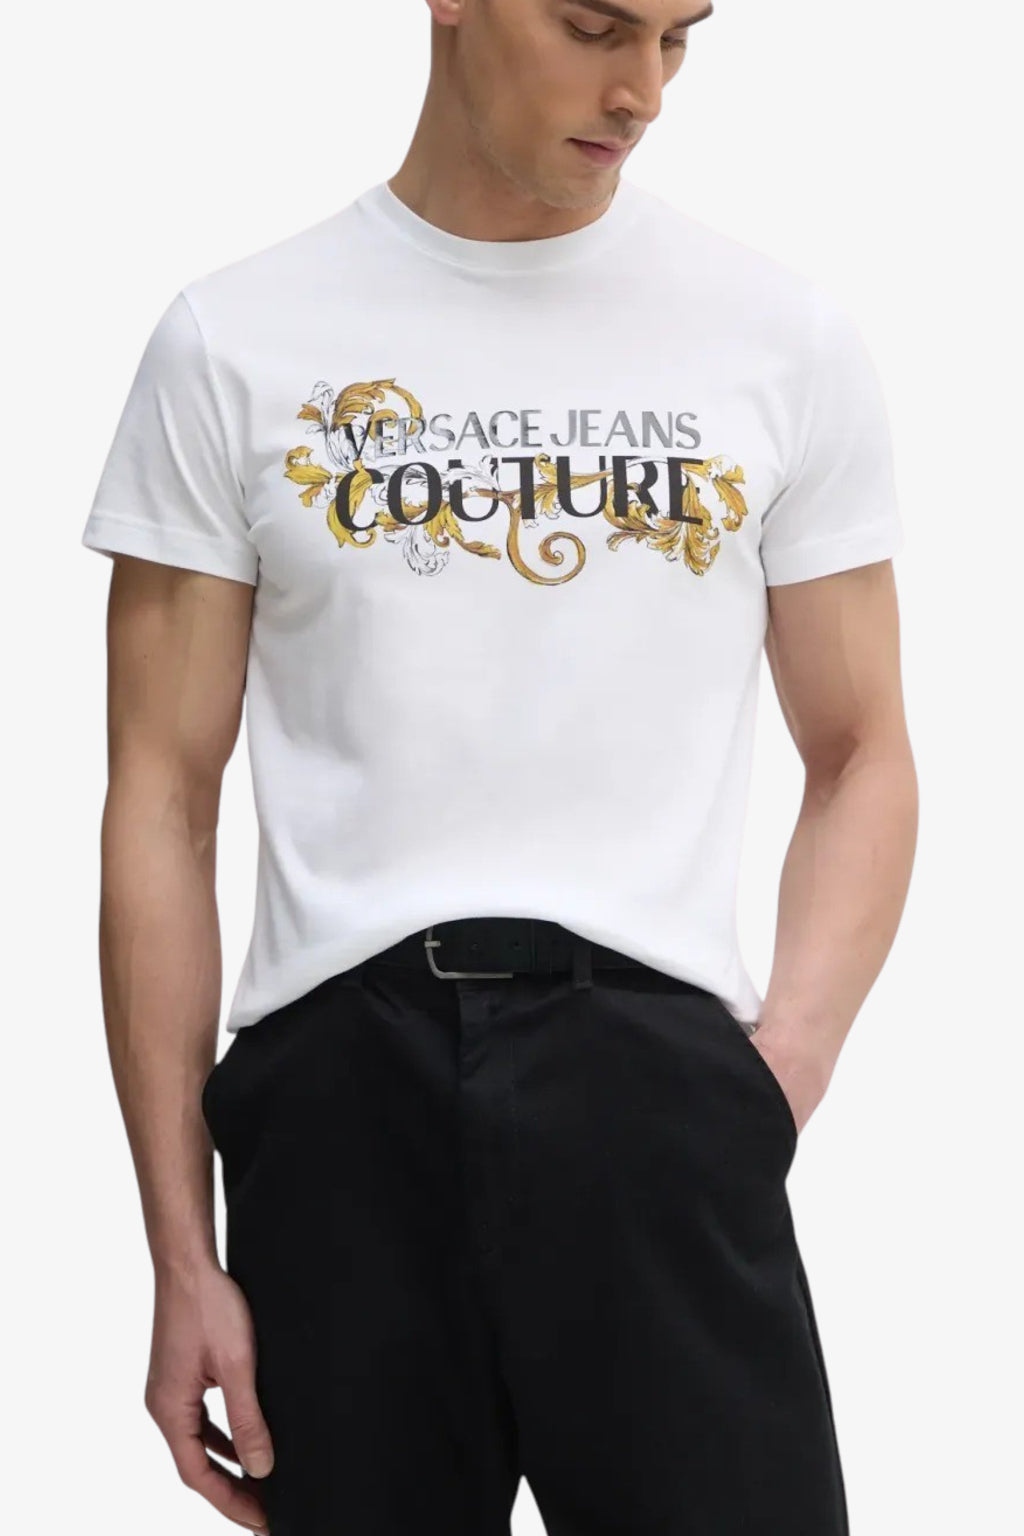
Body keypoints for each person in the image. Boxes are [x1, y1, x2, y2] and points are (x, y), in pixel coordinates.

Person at [80, 2, 918, 1532]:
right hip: (338, 1111)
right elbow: (161, 800)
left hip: (657, 1092)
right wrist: (180, 1252)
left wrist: (774, 1076)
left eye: (679, 38)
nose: (642, 90)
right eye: (597, 25)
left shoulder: (779, 337)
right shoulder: (235, 341)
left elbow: (862, 747)